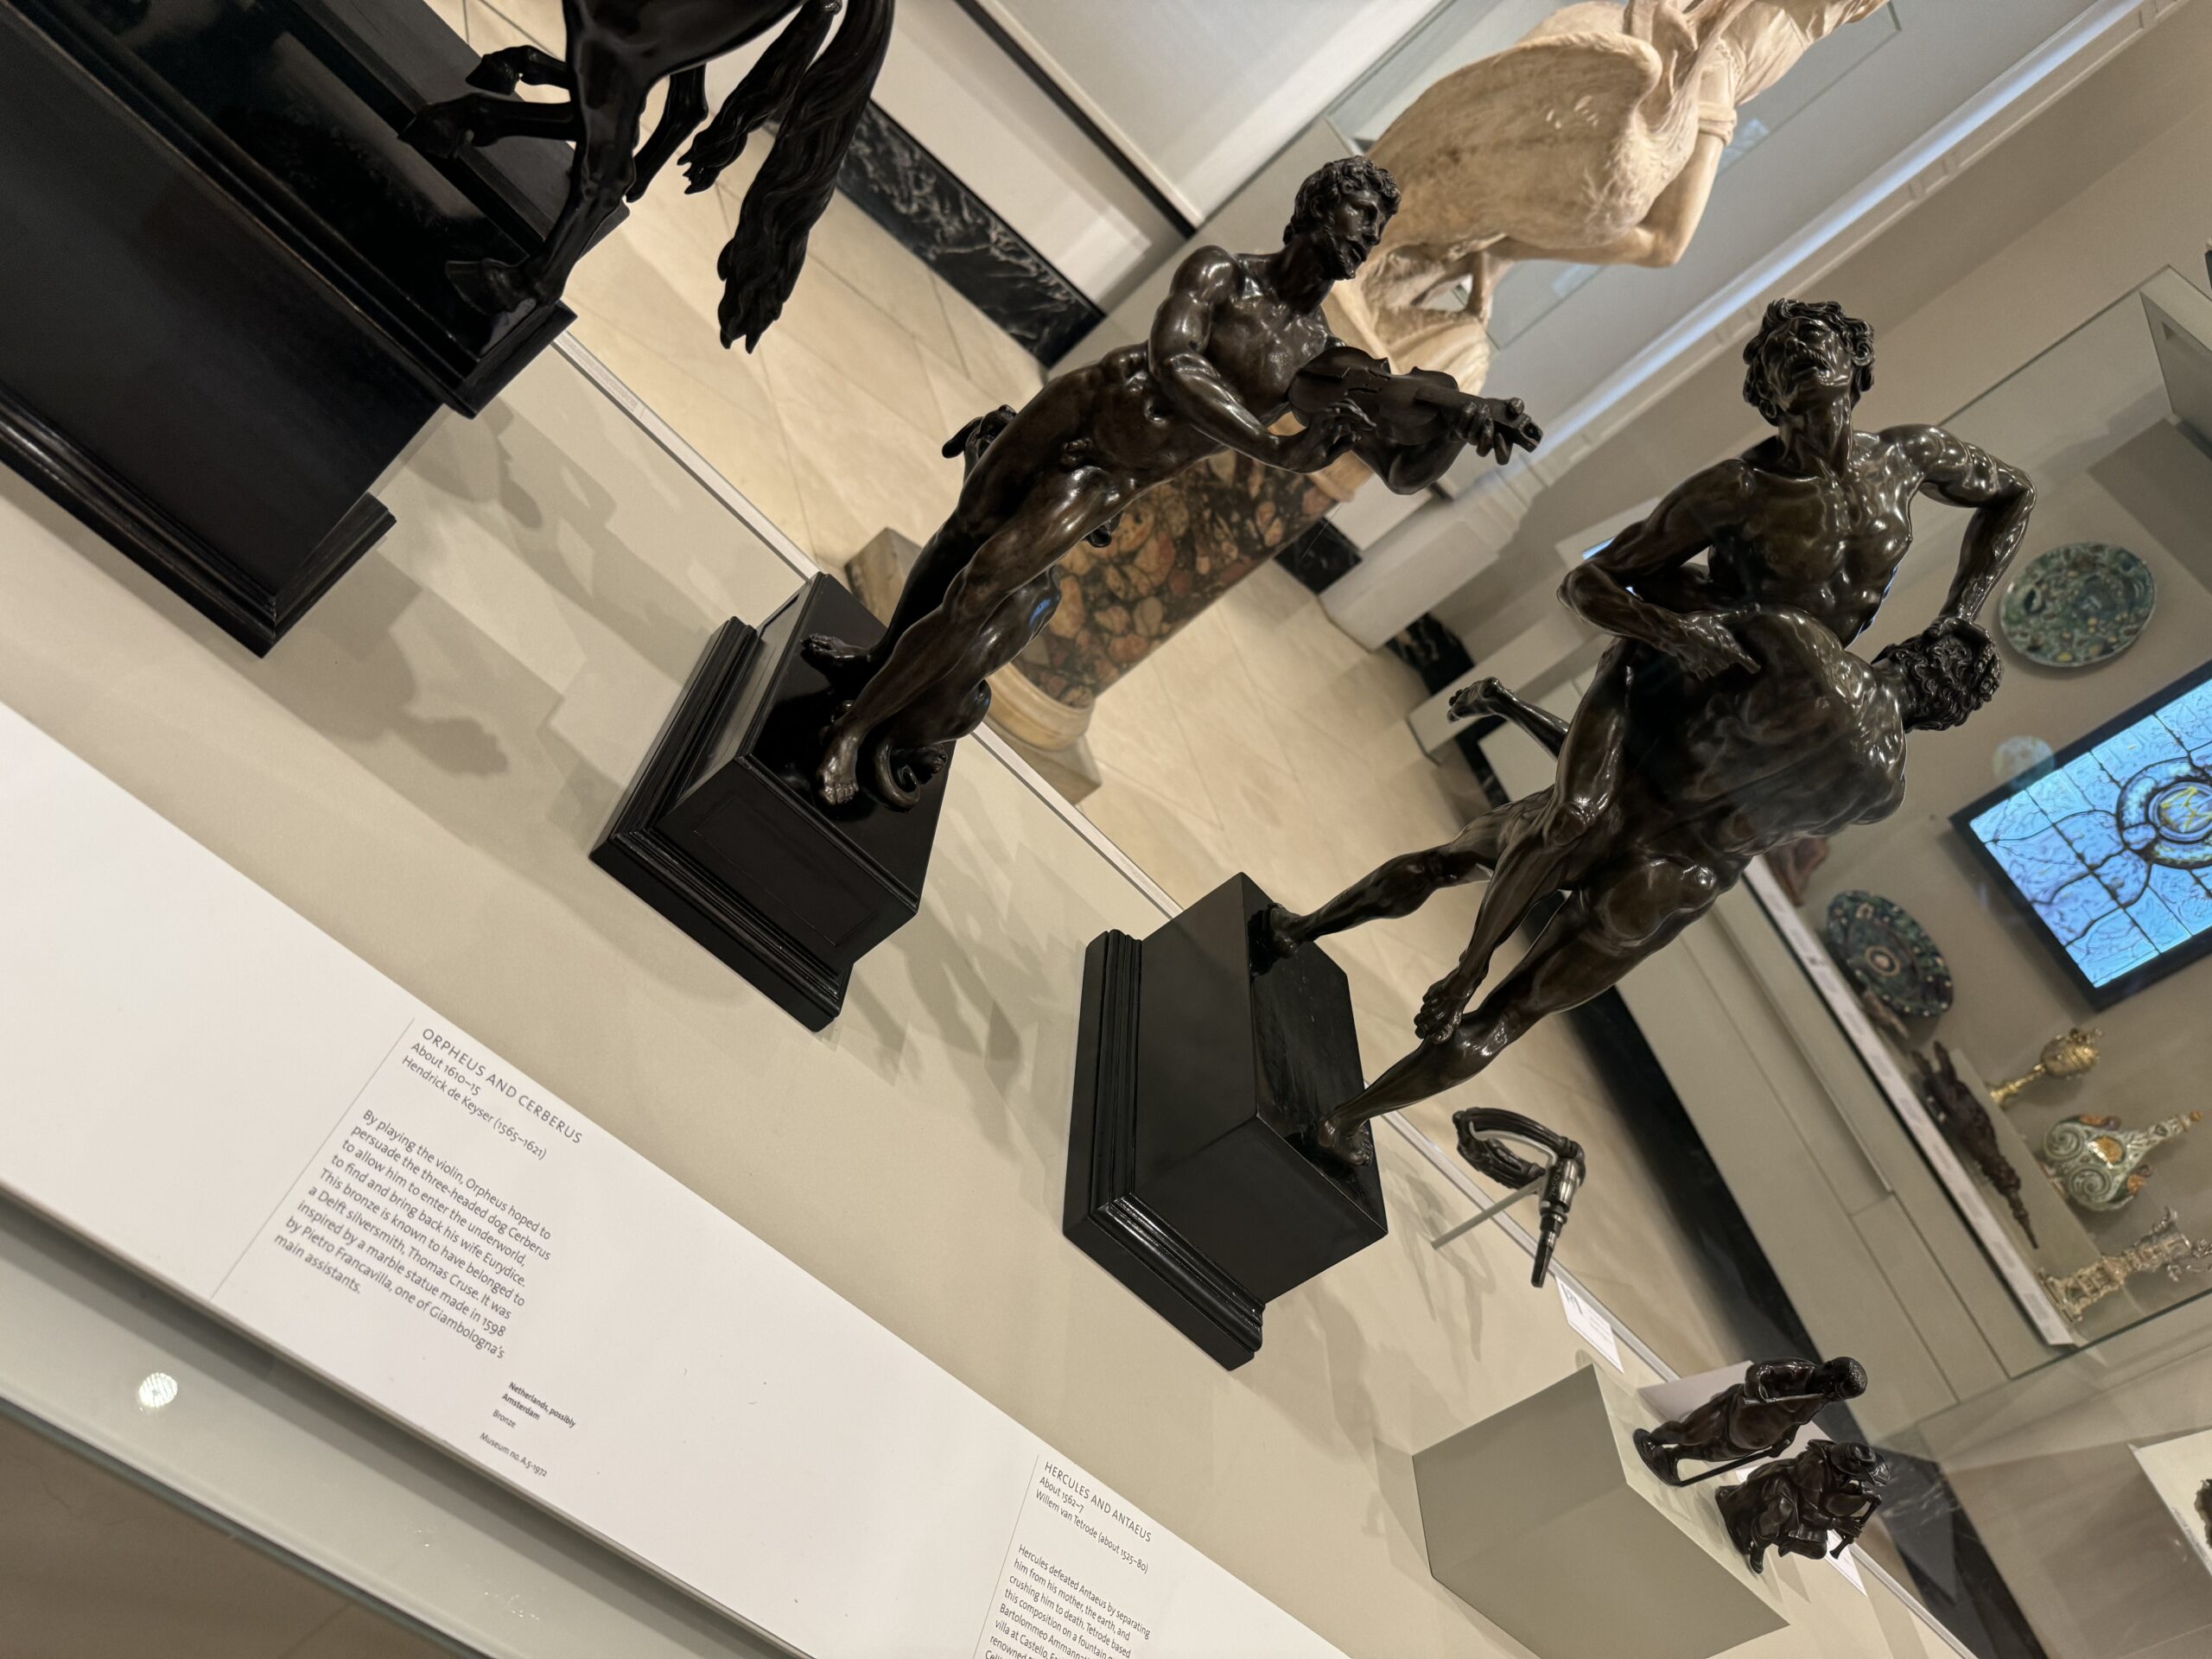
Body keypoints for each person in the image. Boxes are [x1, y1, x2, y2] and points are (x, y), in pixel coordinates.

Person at [803, 157, 1539, 807]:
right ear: (1317, 208)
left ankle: (854, 727)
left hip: (1109, 473)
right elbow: (1175, 360)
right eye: (1363, 213)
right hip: (1075, 406)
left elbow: (1403, 470)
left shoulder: (1320, 358)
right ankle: (877, 660)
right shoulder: (1222, 272)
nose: (1370, 233)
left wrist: (1460, 423)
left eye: (1379, 226)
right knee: (962, 533)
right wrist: (1271, 445)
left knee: (982, 586)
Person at [1633, 1357, 1869, 1484]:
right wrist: (1756, 1387)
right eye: (1832, 1386)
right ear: (1828, 1367)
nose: (1831, 1395)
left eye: (1838, 1397)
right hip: (1733, 1411)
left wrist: (1785, 1441)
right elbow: (1758, 1370)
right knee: (1690, 1433)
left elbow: (1796, 1422)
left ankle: (1673, 1456)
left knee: (1711, 1453)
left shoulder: (1820, 1399)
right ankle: (1653, 1441)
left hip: (1750, 1439)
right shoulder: (1795, 1371)